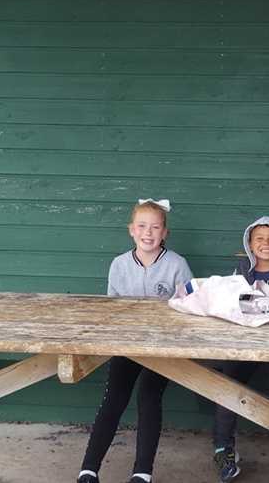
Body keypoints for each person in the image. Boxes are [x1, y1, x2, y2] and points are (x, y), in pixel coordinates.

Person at [77, 199, 193, 483]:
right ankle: (88, 469)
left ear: (164, 232)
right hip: (127, 345)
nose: (148, 233)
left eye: (155, 227)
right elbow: (112, 309)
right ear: (131, 230)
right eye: (142, 226)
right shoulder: (119, 264)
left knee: (149, 397)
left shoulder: (177, 264)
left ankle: (142, 472)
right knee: (113, 398)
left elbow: (190, 306)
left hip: (163, 347)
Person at [211, 216, 269, 483]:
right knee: (225, 383)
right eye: (259, 239)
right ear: (250, 245)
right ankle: (223, 450)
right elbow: (232, 303)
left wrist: (265, 300)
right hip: (245, 343)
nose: (266, 244)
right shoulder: (241, 269)